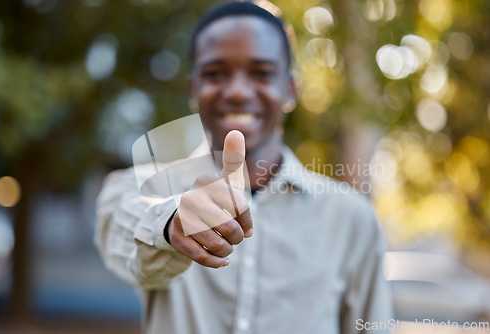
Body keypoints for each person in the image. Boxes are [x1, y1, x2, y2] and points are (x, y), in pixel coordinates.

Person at [95, 1, 393, 333]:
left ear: (289, 89)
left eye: (262, 73)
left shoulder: (351, 219)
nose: (237, 91)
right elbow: (122, 226)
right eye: (215, 73)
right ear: (193, 88)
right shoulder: (143, 186)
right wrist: (169, 225)